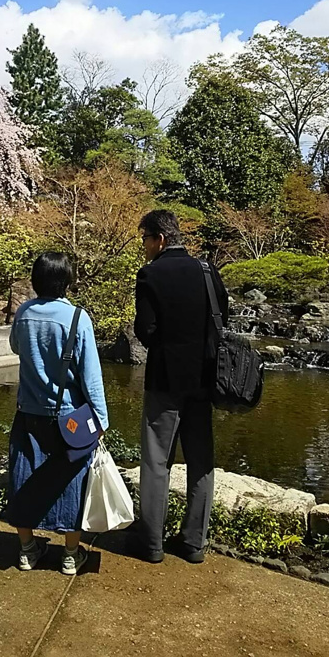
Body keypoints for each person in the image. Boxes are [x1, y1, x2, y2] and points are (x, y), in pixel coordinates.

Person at [133, 209, 228, 564]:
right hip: (205, 381)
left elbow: (145, 331)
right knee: (201, 461)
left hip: (165, 380)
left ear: (159, 238)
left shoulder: (150, 275)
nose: (143, 247)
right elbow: (223, 319)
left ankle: (152, 544)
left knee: (157, 461)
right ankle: (193, 543)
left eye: (144, 239)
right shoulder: (207, 271)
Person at [7, 251, 108, 575]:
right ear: (67, 281)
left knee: (24, 478)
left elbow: (15, 347)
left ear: (36, 281)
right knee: (71, 482)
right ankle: (69, 555)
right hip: (70, 419)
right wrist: (101, 420)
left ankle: (26, 550)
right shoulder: (77, 319)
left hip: (29, 413)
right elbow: (91, 377)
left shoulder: (23, 313)